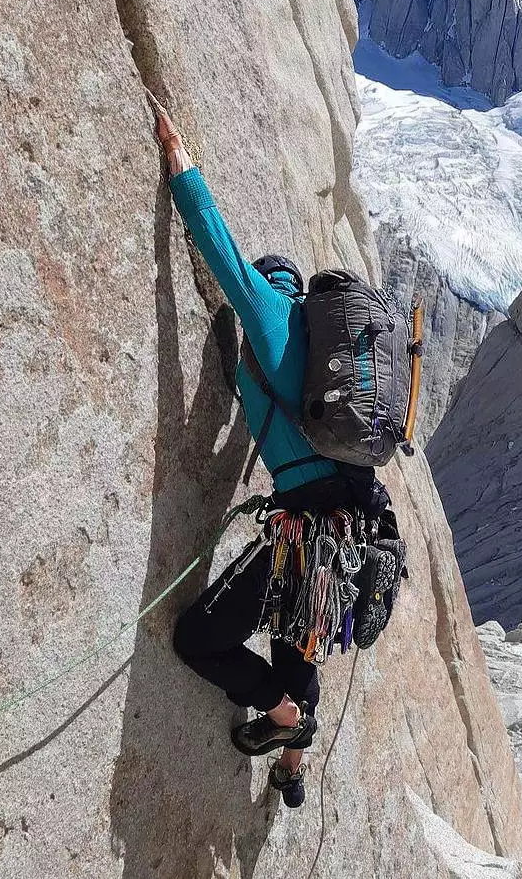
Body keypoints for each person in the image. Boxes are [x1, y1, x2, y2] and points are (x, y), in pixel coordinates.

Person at [148, 95, 388, 809]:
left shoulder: (275, 321)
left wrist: (179, 160)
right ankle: (290, 765)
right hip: (351, 532)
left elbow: (217, 249)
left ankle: (283, 716)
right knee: (299, 637)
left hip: (305, 531)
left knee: (198, 639)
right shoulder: (332, 366)